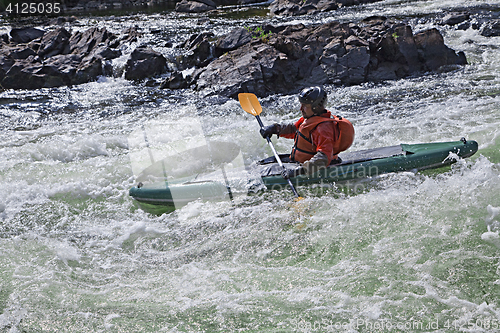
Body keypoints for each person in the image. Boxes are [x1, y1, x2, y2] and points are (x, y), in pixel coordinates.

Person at [260, 86, 354, 179]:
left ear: (316, 107)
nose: (301, 109)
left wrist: (299, 171)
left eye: (305, 106)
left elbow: (324, 157)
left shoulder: (323, 129)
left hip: (309, 167)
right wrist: (274, 129)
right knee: (263, 163)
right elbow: (293, 129)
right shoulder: (310, 118)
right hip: (298, 161)